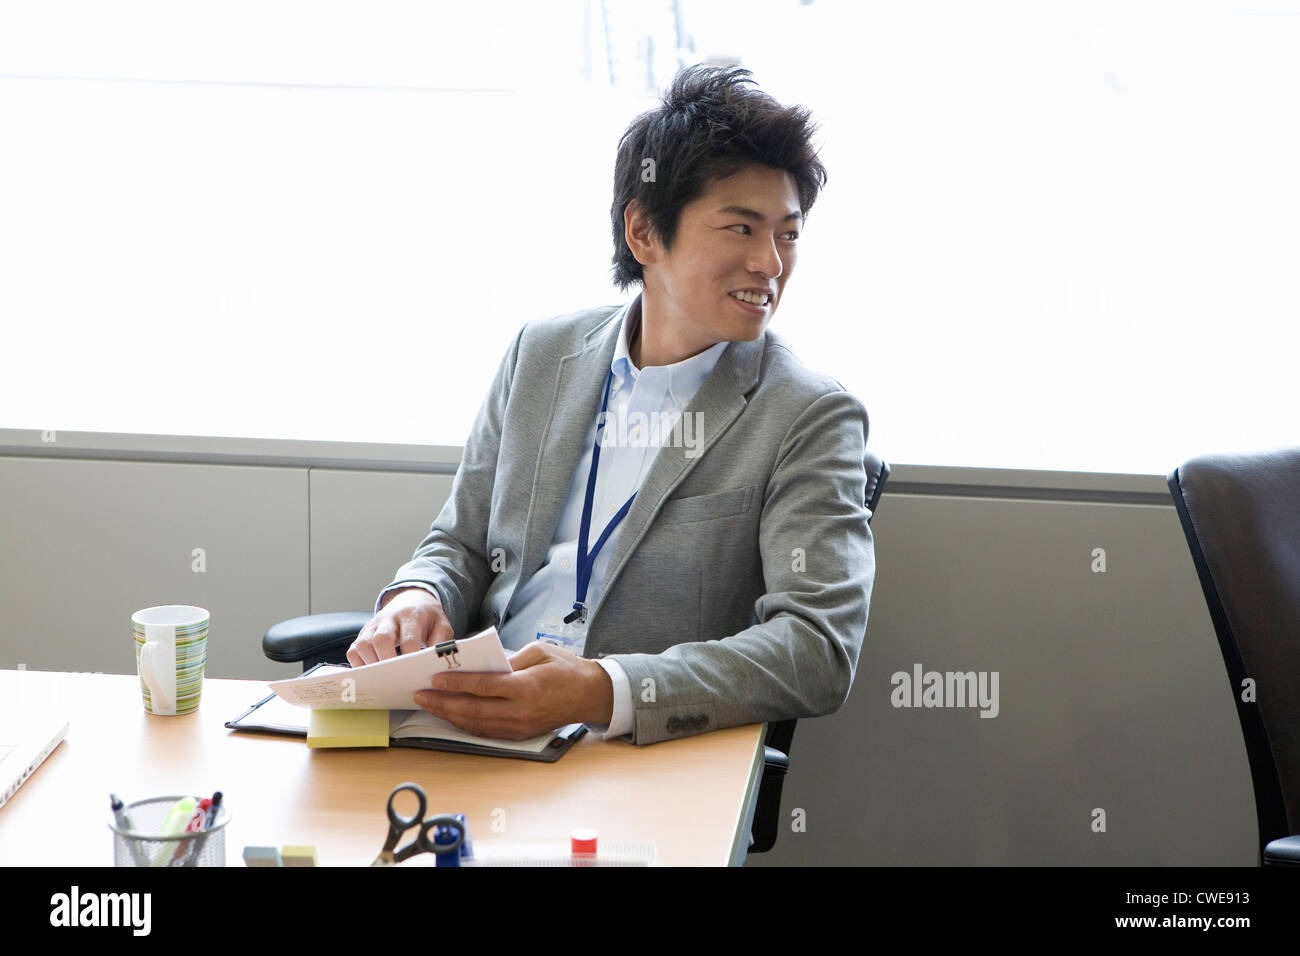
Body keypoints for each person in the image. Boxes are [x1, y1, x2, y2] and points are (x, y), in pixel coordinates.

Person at [347, 64, 875, 746]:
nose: (771, 264)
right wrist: (418, 596)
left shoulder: (808, 415)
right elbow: (461, 543)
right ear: (645, 233)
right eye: (742, 229)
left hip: (631, 749)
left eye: (789, 233)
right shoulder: (540, 355)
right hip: (471, 720)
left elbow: (818, 648)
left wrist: (607, 690)